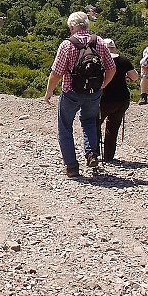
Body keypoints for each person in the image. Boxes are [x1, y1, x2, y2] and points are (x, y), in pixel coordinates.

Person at [43, 11, 116, 178]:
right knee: (90, 122)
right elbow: (112, 68)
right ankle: (91, 155)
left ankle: (71, 167)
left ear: (71, 27)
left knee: (65, 127)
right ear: (87, 26)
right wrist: (103, 85)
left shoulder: (67, 45)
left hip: (71, 92)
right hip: (94, 92)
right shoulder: (100, 42)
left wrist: (49, 92)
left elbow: (56, 73)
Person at [99, 39, 139, 163]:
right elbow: (135, 77)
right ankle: (108, 157)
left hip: (104, 99)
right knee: (113, 128)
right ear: (114, 48)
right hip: (122, 99)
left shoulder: (100, 60)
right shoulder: (123, 60)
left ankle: (93, 154)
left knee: (94, 125)